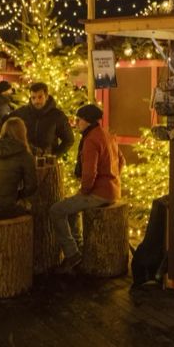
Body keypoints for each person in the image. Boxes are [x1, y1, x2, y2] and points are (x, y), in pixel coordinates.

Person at [50, 104, 122, 273]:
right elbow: (122, 160)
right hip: (113, 189)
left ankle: (72, 253)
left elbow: (89, 173)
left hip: (99, 193)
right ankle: (78, 247)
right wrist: (112, 176)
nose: (76, 123)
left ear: (87, 121)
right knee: (72, 207)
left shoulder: (90, 140)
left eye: (78, 119)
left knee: (56, 210)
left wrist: (84, 190)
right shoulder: (107, 134)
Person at [9, 82, 73, 157]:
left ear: (46, 97)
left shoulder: (57, 116)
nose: (36, 101)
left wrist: (55, 156)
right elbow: (7, 126)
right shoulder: (22, 113)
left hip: (47, 164)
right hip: (25, 162)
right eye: (33, 97)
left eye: (40, 97)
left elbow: (69, 139)